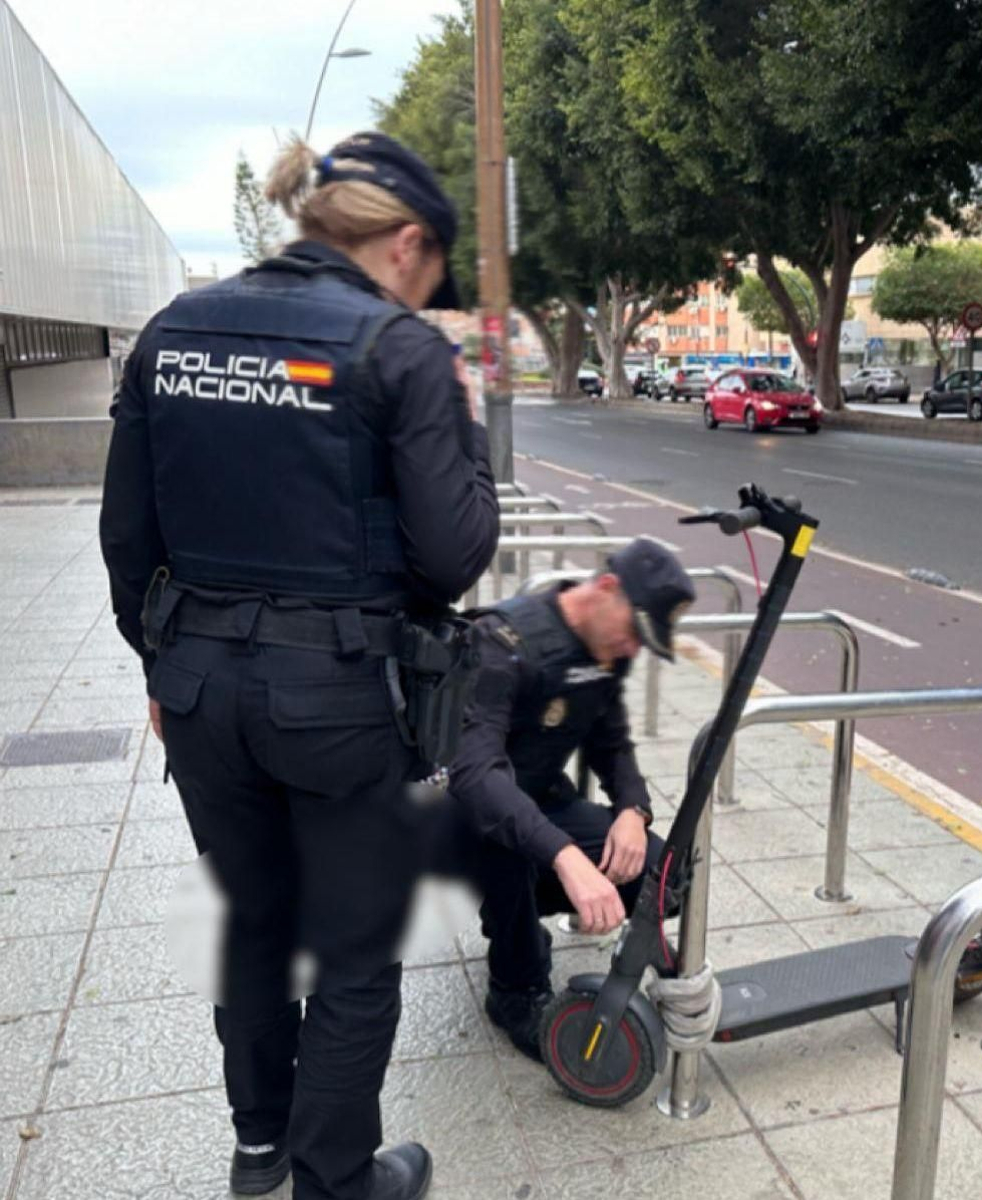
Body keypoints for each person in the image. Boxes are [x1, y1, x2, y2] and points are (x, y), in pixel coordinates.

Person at [99, 131, 500, 1200]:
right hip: (337, 700)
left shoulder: (172, 332)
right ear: (407, 241)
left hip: (197, 688)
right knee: (358, 950)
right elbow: (453, 555)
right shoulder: (399, 351)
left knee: (255, 918)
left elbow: (127, 540)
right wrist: (462, 422)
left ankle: (260, 1145)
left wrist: (162, 669)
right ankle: (335, 1180)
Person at [445, 540, 696, 1060]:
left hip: (539, 801)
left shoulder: (606, 651)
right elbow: (476, 777)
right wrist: (565, 856)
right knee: (511, 847)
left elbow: (612, 745)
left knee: (661, 870)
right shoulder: (499, 642)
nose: (632, 649)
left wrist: (633, 810)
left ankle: (522, 910)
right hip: (462, 819)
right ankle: (515, 992)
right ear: (606, 589)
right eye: (633, 632)